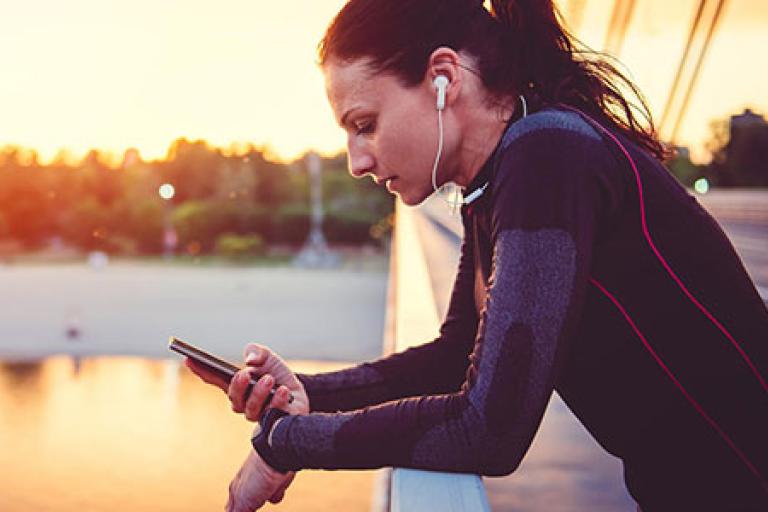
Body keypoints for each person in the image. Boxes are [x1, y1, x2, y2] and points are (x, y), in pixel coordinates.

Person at [187, 1, 768, 510]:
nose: (355, 161)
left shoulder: (547, 157)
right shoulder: (496, 182)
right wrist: (311, 396)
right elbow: (455, 357)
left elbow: (491, 430)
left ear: (443, 77)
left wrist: (286, 443)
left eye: (365, 125)